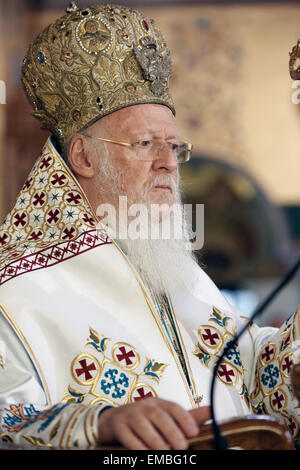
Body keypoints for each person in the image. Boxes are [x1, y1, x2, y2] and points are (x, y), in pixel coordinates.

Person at [0, 2, 299, 451]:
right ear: (82, 157)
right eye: (144, 144)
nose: (167, 164)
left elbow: (251, 374)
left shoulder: (175, 271)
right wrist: (97, 424)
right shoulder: (15, 290)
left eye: (175, 147)